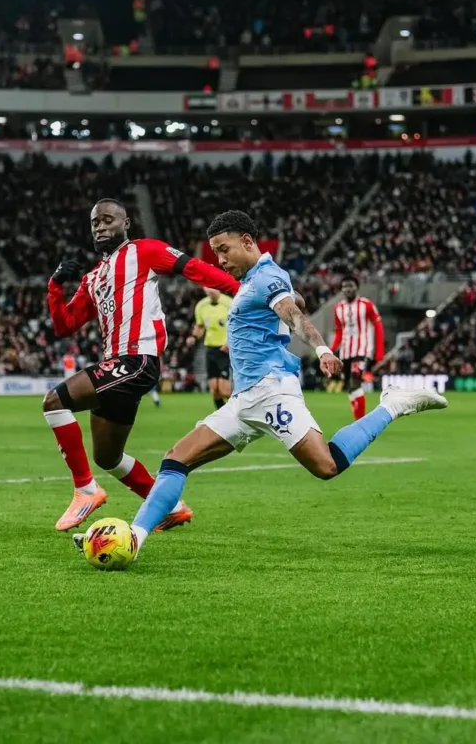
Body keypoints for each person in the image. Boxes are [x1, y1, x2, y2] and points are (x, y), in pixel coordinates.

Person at [100, 210, 446, 563]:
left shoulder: (266, 277)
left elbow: (293, 315)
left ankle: (394, 404)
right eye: (215, 252)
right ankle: (134, 539)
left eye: (224, 249)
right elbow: (291, 302)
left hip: (271, 392)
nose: (219, 259)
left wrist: (322, 348)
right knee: (175, 459)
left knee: (326, 466)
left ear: (248, 242)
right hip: (243, 400)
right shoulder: (256, 280)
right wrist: (296, 299)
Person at [44, 198, 240, 532]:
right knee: (107, 457)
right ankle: (171, 507)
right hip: (116, 368)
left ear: (126, 224)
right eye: (95, 222)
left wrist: (244, 291)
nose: (101, 227)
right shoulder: (94, 277)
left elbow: (195, 268)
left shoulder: (145, 251)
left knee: (54, 402)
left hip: (137, 360)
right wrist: (55, 287)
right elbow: (64, 325)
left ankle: (85, 490)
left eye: (108, 220)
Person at [331, 275, 385, 419]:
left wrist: (379, 353)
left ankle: (360, 422)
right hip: (345, 352)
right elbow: (339, 331)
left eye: (351, 286)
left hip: (362, 350)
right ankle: (358, 419)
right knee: (349, 387)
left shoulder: (367, 305)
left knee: (355, 383)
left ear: (357, 287)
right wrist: (331, 350)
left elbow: (378, 326)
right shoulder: (338, 308)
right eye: (345, 286)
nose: (348, 289)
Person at [190, 288, 233, 410]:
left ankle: (239, 410)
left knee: (225, 391)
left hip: (225, 349)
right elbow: (200, 326)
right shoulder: (201, 305)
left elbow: (238, 325)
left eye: (212, 287)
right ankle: (223, 416)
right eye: (207, 288)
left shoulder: (229, 303)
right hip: (210, 348)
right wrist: (193, 337)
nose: (210, 290)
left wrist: (229, 342)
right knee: (215, 390)